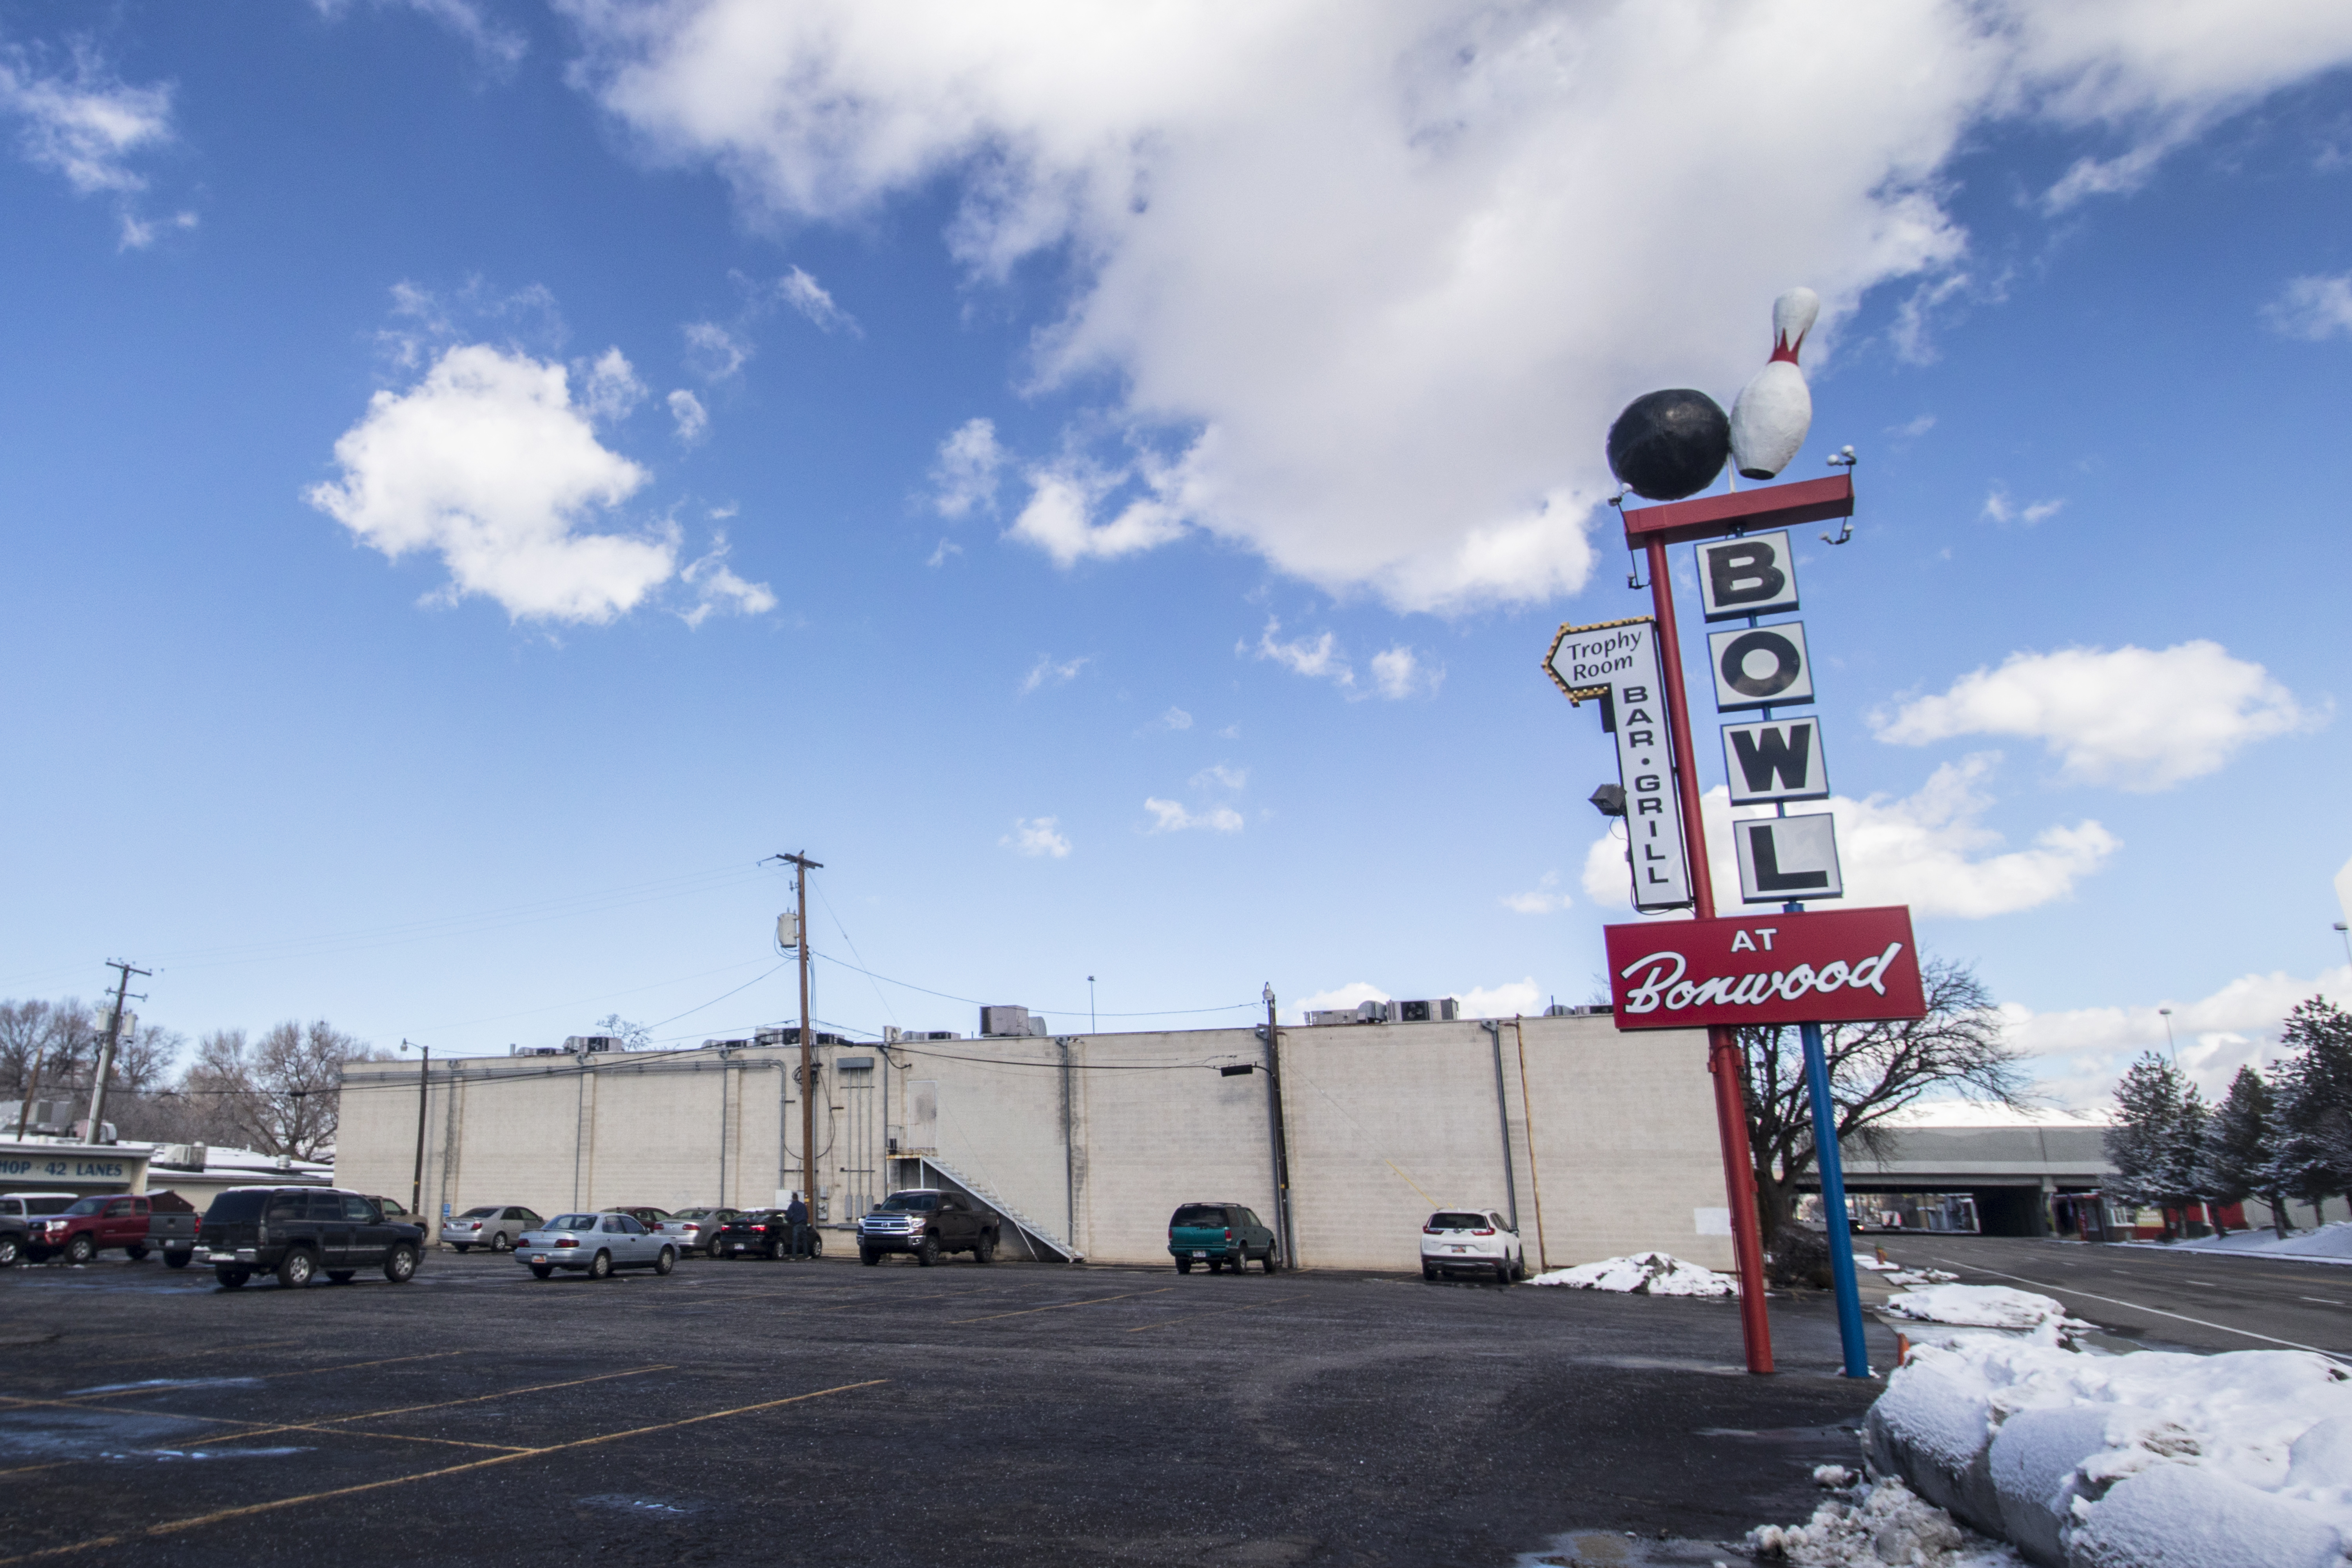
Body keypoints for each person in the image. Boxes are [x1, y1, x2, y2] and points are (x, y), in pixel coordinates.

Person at [784, 1191, 810, 1259]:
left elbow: (789, 1216)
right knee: (804, 1240)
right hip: (804, 1224)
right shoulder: (802, 1205)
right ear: (798, 1198)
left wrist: (785, 1218)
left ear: (793, 1198)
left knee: (795, 1241)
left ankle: (794, 1257)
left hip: (796, 1225)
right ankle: (806, 1256)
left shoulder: (792, 1206)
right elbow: (807, 1215)